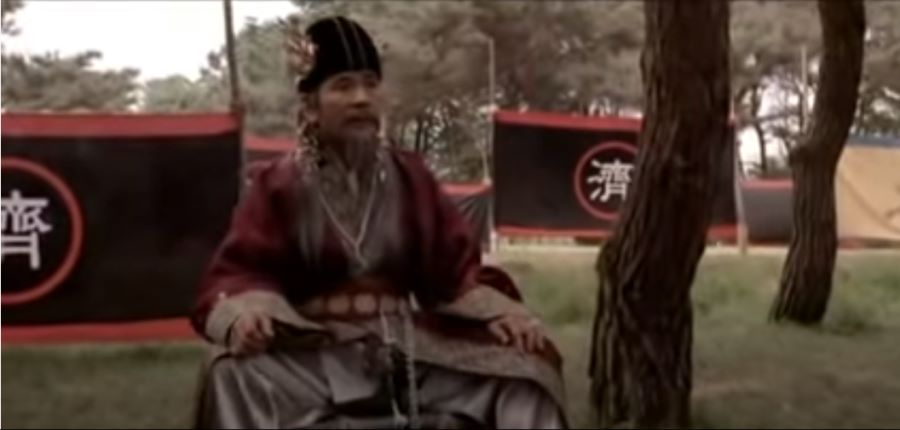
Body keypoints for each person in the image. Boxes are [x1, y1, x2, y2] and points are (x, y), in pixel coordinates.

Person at [191, 16, 567, 429]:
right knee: (230, 373)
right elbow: (241, 272)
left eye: (370, 84)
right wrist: (246, 317)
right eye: (343, 86)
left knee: (528, 371)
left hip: (410, 350)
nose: (361, 99)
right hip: (316, 354)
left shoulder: (411, 177)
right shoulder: (277, 184)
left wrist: (498, 314)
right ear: (311, 106)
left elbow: (454, 272)